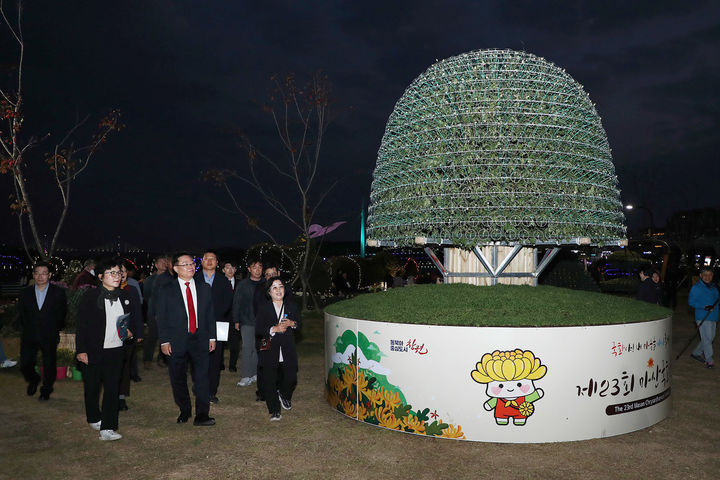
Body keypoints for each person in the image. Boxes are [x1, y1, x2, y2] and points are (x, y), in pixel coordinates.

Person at [156, 253, 217, 426]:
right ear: (175, 268)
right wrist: (164, 341)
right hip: (176, 340)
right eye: (185, 264)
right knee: (178, 377)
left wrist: (212, 336)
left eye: (192, 263)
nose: (190, 266)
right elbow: (161, 316)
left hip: (200, 338)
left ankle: (202, 414)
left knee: (202, 377)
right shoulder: (167, 289)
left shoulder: (204, 288)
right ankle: (185, 409)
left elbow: (209, 314)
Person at [75, 258, 133, 441]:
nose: (117, 276)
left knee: (112, 389)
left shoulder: (125, 296)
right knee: (92, 387)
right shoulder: (90, 297)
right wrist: (81, 350)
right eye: (112, 273)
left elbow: (132, 321)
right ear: (100, 276)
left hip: (116, 350)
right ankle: (93, 417)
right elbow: (81, 325)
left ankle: (108, 427)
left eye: (119, 272)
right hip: (94, 350)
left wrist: (131, 333)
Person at [18, 261, 67, 401]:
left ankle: (46, 389)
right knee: (25, 364)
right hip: (29, 334)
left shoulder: (58, 293)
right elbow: (21, 314)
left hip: (49, 334)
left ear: (49, 275)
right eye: (37, 273)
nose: (40, 276)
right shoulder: (25, 293)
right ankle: (33, 379)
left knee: (49, 363)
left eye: (44, 273)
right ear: (33, 275)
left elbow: (62, 313)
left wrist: (55, 329)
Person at [256, 276, 301, 421]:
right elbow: (258, 329)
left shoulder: (291, 306)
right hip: (270, 347)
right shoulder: (264, 308)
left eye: (280, 286)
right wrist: (273, 329)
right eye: (274, 287)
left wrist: (292, 323)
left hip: (287, 347)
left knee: (291, 377)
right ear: (269, 292)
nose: (278, 290)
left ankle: (284, 395)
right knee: (269, 380)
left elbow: (299, 324)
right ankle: (274, 410)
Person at [194, 250, 233, 404]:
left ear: (217, 263)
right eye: (206, 258)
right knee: (198, 358)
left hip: (218, 323)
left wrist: (214, 316)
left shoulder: (223, 281)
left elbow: (227, 302)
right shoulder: (194, 280)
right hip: (197, 324)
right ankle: (199, 388)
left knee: (215, 359)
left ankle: (211, 391)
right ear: (202, 262)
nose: (209, 261)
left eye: (213, 259)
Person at [232, 258, 263, 388]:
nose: (257, 270)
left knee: (259, 349)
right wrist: (236, 320)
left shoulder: (266, 283)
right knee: (247, 348)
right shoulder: (243, 284)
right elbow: (237, 302)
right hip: (247, 321)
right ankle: (246, 375)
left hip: (262, 322)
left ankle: (255, 373)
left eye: (260, 267)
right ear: (249, 269)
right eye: (254, 267)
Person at [118, 260, 144, 410]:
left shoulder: (132, 289)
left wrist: (139, 332)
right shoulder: (107, 290)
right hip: (110, 335)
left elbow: (137, 314)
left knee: (125, 365)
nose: (121, 274)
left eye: (124, 271)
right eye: (118, 271)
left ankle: (121, 397)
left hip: (128, 334)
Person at [143, 255, 173, 369]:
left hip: (167, 313)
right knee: (152, 336)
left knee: (165, 337)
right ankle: (147, 359)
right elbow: (147, 296)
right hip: (153, 312)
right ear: (156, 265)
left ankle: (162, 358)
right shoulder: (150, 280)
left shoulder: (171, 277)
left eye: (165, 261)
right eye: (160, 262)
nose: (163, 264)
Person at [689, 267, 719, 369]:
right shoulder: (696, 288)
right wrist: (704, 307)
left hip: (713, 316)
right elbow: (691, 302)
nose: (707, 277)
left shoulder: (714, 288)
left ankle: (696, 353)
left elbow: (717, 301)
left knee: (710, 337)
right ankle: (709, 360)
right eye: (705, 275)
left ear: (712, 276)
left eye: (710, 275)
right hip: (702, 316)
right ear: (700, 276)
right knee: (707, 338)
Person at [222, 261, 238, 372]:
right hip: (222, 318)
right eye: (228, 267)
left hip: (235, 319)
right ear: (223, 270)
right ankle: (220, 364)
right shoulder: (218, 282)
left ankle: (232, 365)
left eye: (233, 267)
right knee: (221, 344)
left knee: (235, 344)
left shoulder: (240, 283)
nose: (230, 270)